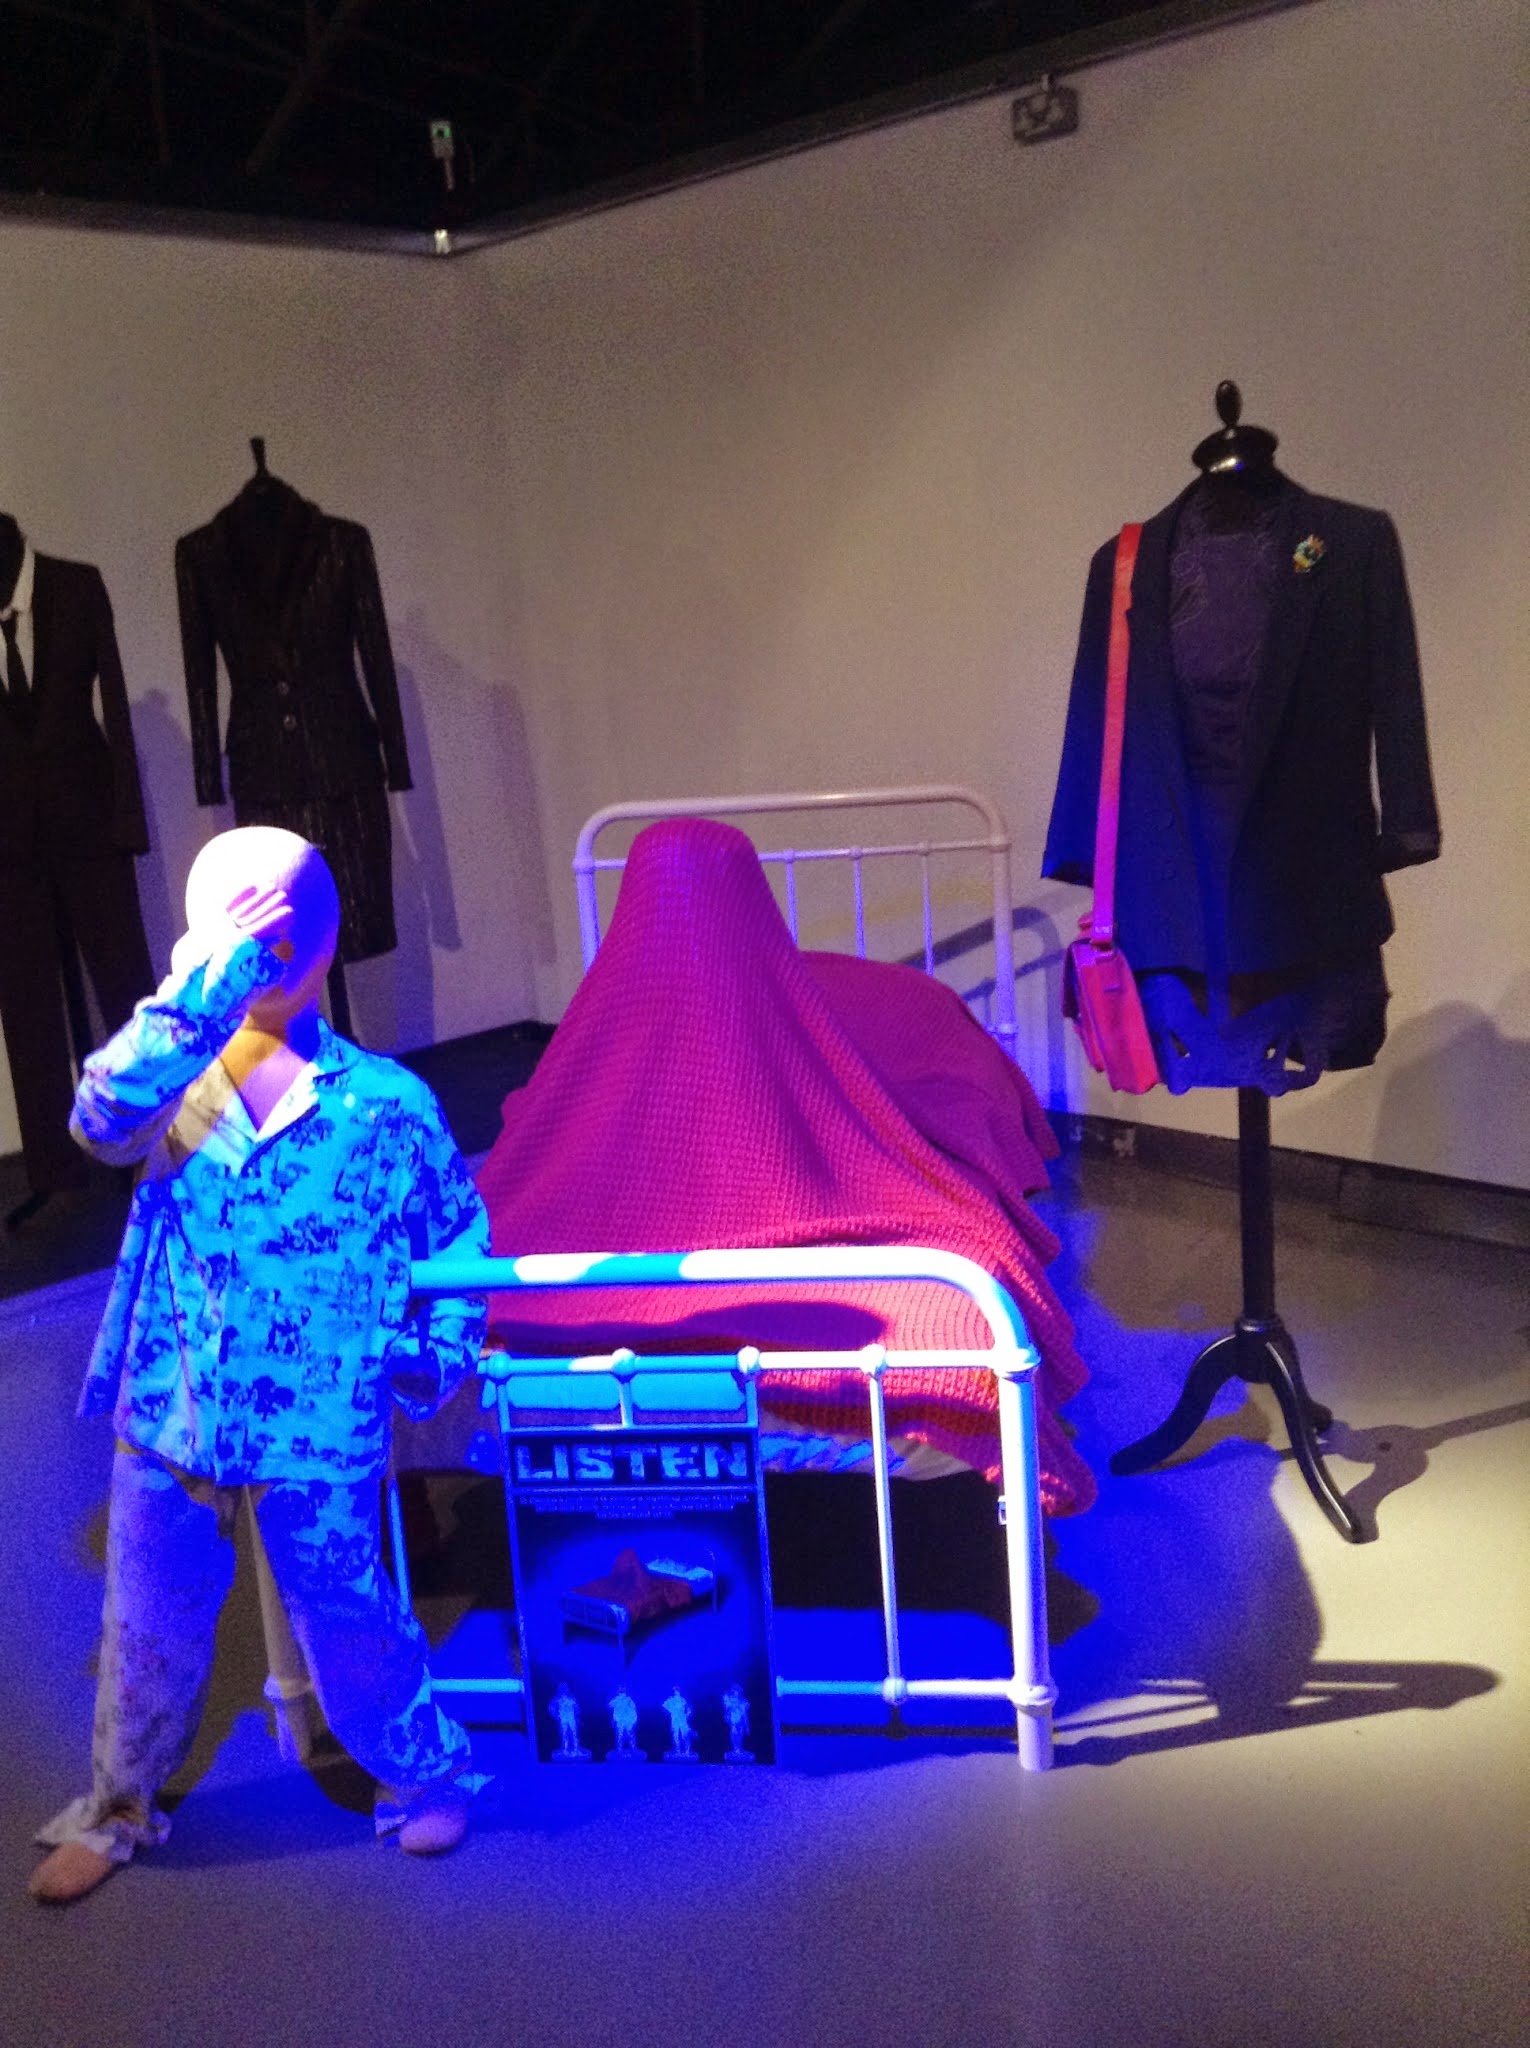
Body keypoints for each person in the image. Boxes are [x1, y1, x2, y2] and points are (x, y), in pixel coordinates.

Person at [28, 827, 490, 1904]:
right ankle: (116, 1804)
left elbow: (458, 1245)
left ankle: (423, 1770)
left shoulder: (384, 1102)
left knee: (349, 1606)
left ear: (321, 936)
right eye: (232, 927)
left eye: (274, 927)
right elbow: (95, 1119)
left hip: (319, 1408)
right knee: (145, 1620)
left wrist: (419, 1360)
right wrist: (201, 988)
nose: (257, 950)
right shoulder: (170, 1078)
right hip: (175, 1399)